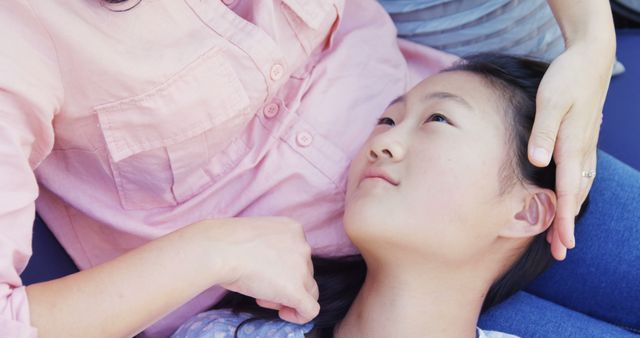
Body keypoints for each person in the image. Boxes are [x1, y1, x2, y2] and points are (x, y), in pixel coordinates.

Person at [0, 0, 618, 337]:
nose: (383, 142)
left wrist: (592, 37)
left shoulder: (492, 163)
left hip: (483, 161)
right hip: (293, 295)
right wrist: (209, 251)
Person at [171, 54, 585, 338]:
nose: (384, 141)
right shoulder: (226, 332)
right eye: (386, 119)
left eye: (438, 119)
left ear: (527, 212)